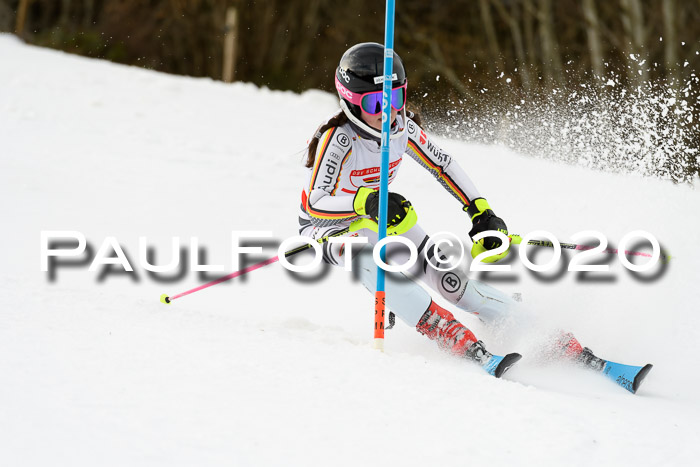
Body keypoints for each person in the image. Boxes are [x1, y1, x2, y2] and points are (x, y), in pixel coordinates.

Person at [297, 43, 651, 387]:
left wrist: (480, 211)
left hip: (378, 216)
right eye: (375, 102)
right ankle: (441, 327)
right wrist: (366, 203)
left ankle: (549, 337)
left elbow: (443, 164)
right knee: (367, 256)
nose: (387, 110)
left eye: (395, 98)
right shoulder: (339, 139)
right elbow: (315, 202)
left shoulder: (402, 128)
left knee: (449, 280)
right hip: (328, 229)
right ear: (350, 102)